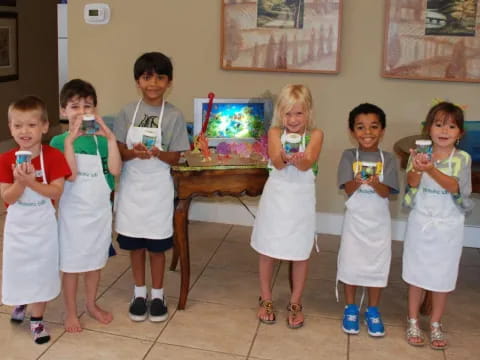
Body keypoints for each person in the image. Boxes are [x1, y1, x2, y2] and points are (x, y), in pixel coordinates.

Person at [113, 52, 190, 322]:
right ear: (138, 81)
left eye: (160, 77)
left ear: (169, 82)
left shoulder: (173, 116)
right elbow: (119, 151)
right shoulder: (126, 113)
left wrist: (159, 153)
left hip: (158, 189)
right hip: (133, 190)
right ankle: (138, 292)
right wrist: (134, 153)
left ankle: (157, 294)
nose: (153, 83)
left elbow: (177, 156)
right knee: (135, 244)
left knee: (157, 246)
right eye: (147, 77)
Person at [50, 79, 122, 332]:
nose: (81, 111)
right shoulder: (59, 143)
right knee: (71, 267)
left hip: (99, 213)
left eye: (87, 106)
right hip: (72, 215)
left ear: (96, 110)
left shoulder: (102, 142)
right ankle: (71, 312)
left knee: (94, 263)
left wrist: (111, 139)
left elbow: (115, 170)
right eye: (74, 106)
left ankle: (91, 304)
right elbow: (70, 175)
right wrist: (70, 142)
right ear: (63, 111)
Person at [250, 84, 323, 329]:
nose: (293, 119)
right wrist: (284, 156)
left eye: (298, 113)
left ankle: (295, 301)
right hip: (276, 199)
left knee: (299, 252)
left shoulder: (316, 135)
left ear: (308, 113)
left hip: (301, 201)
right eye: (288, 113)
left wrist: (300, 160)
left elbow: (308, 163)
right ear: (281, 114)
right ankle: (265, 297)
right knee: (268, 249)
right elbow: (277, 163)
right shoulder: (274, 133)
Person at [0, 96, 71, 344]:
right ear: (10, 128)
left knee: (41, 271)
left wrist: (32, 182)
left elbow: (56, 191)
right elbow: (7, 197)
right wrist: (21, 183)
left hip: (43, 228)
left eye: (31, 125)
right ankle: (20, 301)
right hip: (18, 229)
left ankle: (37, 321)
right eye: (18, 125)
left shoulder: (53, 157)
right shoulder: (5, 160)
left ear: (44, 126)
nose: (24, 131)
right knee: (19, 269)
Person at [402, 101, 473, 350]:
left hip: (448, 226)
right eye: (439, 124)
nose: (444, 131)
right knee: (416, 274)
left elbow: (456, 187)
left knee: (443, 276)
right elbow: (411, 183)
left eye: (451, 126)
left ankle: (435, 322)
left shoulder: (462, 159)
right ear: (428, 128)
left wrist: (431, 169)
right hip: (421, 223)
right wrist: (419, 169)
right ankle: (412, 320)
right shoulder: (419, 154)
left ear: (460, 133)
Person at [336, 103, 399, 337]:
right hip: (355, 221)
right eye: (360, 127)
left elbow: (387, 192)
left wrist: (374, 182)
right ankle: (350, 307)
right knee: (351, 263)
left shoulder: (389, 159)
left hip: (378, 223)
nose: (367, 132)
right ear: (352, 131)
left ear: (382, 130)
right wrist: (359, 178)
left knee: (377, 264)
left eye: (374, 127)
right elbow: (348, 189)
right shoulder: (348, 155)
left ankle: (373, 309)